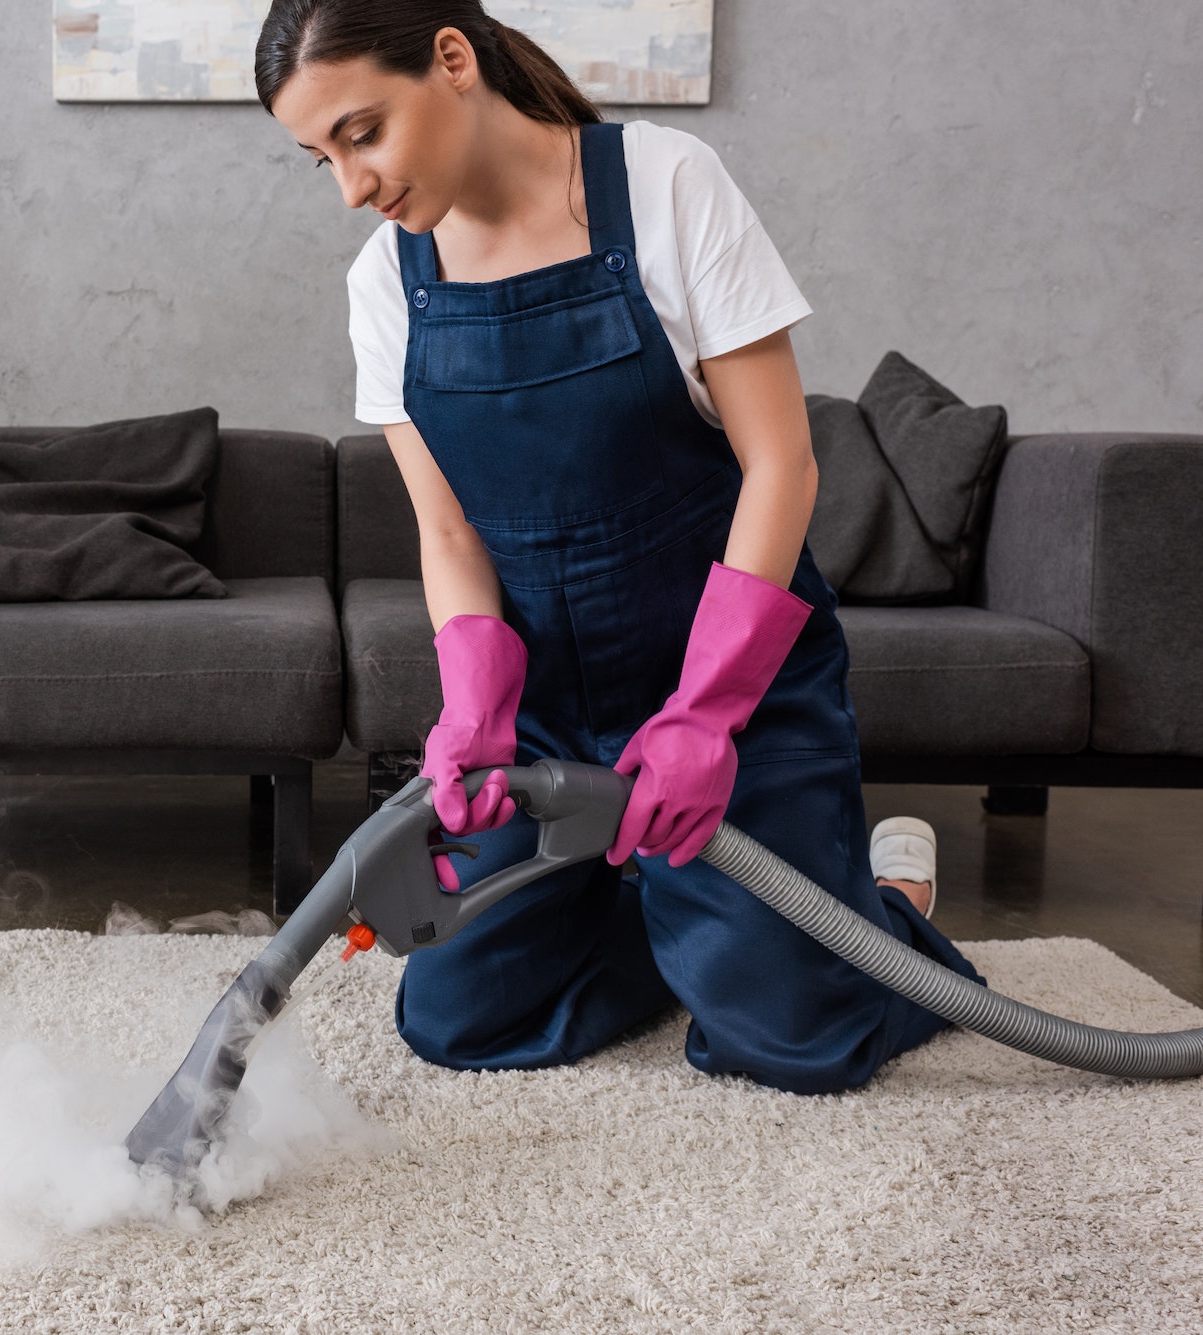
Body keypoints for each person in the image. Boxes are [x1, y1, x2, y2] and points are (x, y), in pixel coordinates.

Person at [256, 0, 985, 1095]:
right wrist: (472, 702)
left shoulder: (662, 187)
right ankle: (686, 914)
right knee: (457, 1020)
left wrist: (703, 715)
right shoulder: (385, 284)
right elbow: (447, 530)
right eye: (319, 158)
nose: (350, 187)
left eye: (361, 133)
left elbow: (782, 466)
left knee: (792, 1044)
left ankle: (873, 909)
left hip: (731, 698)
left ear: (451, 60)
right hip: (550, 719)